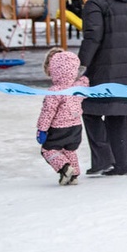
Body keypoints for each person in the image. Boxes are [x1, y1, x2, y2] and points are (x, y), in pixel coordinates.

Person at [77, 0, 127, 176]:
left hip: (104, 68)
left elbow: (93, 37)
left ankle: (103, 159)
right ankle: (121, 165)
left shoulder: (95, 3)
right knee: (117, 114)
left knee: (89, 109)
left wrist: (80, 65)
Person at [37, 48, 88, 185]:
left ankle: (65, 168)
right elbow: (84, 81)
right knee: (69, 150)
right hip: (76, 127)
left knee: (48, 150)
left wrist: (42, 129)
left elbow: (48, 112)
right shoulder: (79, 87)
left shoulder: (55, 91)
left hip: (59, 128)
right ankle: (74, 175)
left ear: (54, 70)